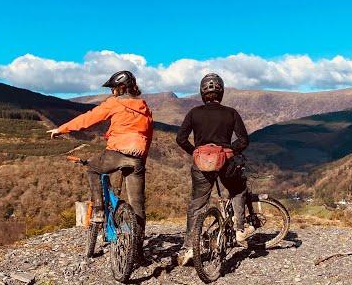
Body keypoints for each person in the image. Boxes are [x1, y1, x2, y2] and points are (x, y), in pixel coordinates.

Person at [47, 71, 153, 264]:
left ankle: (98, 210)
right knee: (138, 207)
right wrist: (142, 160)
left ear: (120, 88)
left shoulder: (115, 103)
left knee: (93, 169)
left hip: (116, 152)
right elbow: (149, 134)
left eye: (113, 87)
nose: (112, 91)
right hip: (137, 156)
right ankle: (138, 254)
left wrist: (61, 129)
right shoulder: (144, 107)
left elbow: (89, 118)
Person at [175, 72, 254, 266]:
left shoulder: (194, 112)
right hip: (225, 161)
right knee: (238, 189)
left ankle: (189, 247)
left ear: (202, 93)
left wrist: (195, 152)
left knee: (197, 204)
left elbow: (181, 139)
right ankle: (239, 229)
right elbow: (244, 140)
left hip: (201, 163)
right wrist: (229, 150)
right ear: (222, 92)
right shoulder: (230, 113)